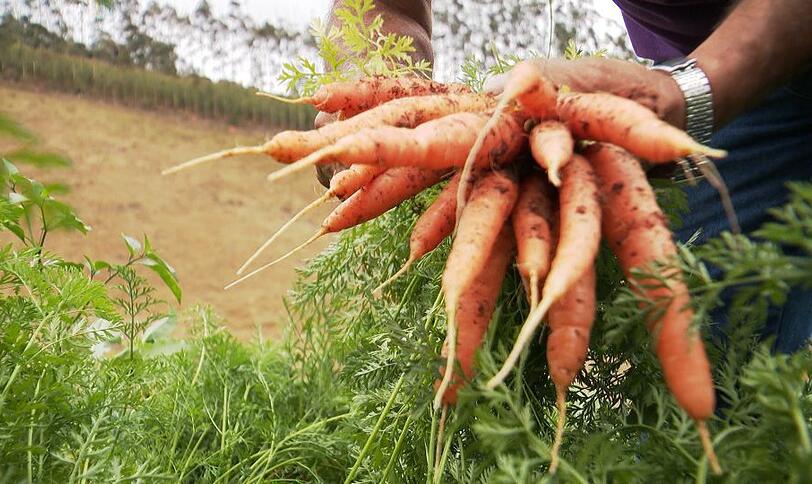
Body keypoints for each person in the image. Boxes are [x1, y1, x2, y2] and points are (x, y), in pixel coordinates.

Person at [317, 0, 812, 353]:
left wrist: (687, 94)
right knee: (705, 351)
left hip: (750, 45)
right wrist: (376, 95)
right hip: (707, 58)